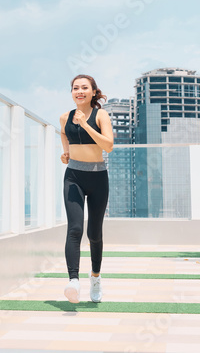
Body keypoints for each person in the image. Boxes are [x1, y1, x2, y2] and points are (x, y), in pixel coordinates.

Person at [59, 74, 114, 303]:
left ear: (93, 92)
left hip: (97, 176)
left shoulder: (101, 115)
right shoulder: (64, 117)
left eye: (84, 88)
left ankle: (95, 277)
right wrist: (66, 152)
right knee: (74, 229)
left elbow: (108, 146)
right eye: (75, 88)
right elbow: (64, 133)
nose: (79, 91)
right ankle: (73, 281)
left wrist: (84, 124)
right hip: (73, 176)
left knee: (94, 233)